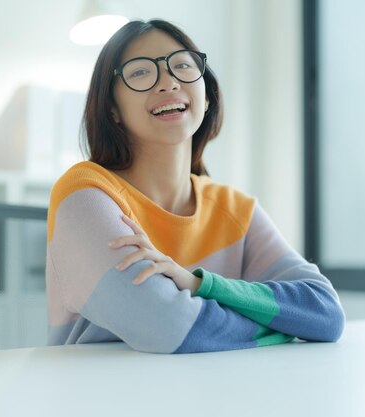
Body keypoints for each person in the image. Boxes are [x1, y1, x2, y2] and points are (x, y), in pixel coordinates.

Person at [46, 19, 345, 354]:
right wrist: (280, 327)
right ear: (112, 109)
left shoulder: (234, 209)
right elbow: (169, 326)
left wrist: (201, 285)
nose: (168, 82)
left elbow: (325, 313)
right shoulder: (84, 193)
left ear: (206, 98)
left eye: (183, 65)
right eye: (141, 72)